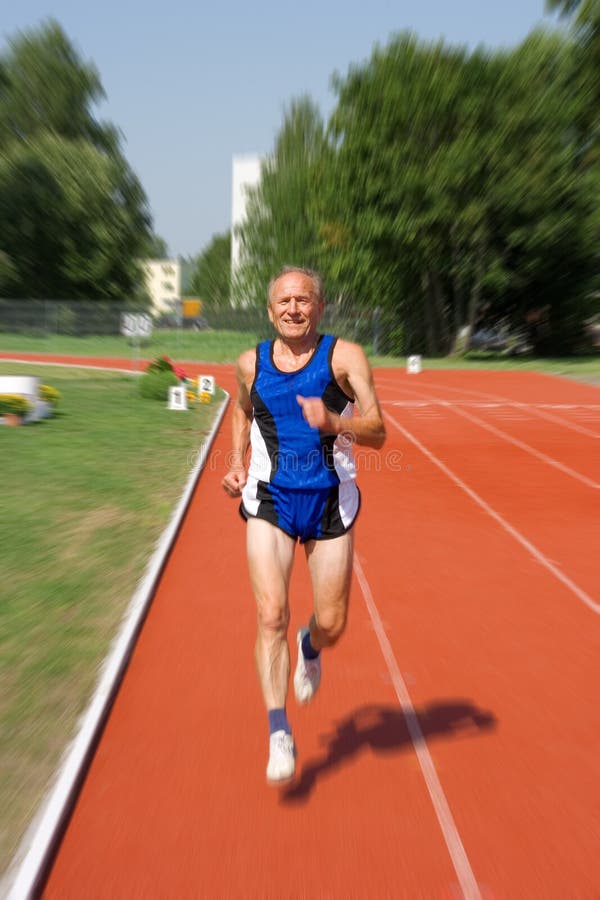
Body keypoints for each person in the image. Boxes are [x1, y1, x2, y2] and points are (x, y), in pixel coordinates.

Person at [222, 266, 386, 783]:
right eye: (284, 301)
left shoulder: (345, 357)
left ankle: (309, 646)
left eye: (304, 299)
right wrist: (235, 460)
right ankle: (278, 733)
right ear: (270, 311)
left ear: (319, 306)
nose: (294, 308)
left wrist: (338, 423)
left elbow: (379, 430)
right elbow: (241, 411)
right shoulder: (250, 362)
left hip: (330, 504)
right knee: (270, 613)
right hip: (270, 498)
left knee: (333, 623)